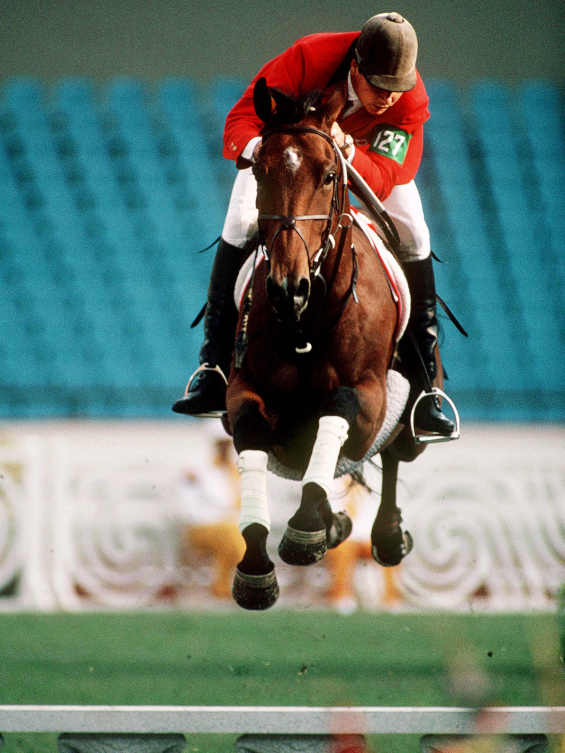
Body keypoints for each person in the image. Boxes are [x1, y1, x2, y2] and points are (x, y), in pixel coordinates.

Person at [173, 12, 454, 436]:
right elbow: (240, 122)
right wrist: (273, 154)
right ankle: (212, 368)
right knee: (237, 219)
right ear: (355, 66)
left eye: (396, 89)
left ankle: (423, 387)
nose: (387, 98)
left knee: (416, 231)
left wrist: (348, 150)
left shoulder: (409, 101)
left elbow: (380, 179)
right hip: (293, 160)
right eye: (379, 86)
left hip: (367, 161)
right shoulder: (309, 57)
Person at [178, 435, 245, 600]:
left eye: (228, 445)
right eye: (222, 444)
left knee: (232, 536)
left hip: (229, 527)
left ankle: (221, 587)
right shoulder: (198, 467)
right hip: (199, 527)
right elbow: (188, 506)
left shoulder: (233, 469)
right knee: (230, 533)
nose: (225, 449)